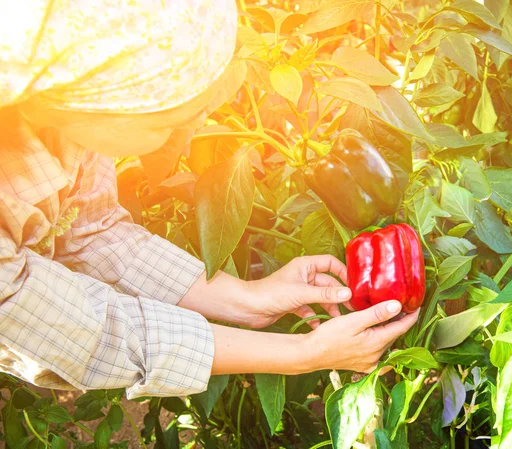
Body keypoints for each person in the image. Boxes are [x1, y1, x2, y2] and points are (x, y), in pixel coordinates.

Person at [0, 0, 419, 399]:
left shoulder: (67, 118)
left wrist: (246, 299)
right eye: (167, 125)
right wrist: (302, 355)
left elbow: (92, 231)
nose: (188, 138)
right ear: (84, 103)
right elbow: (68, 328)